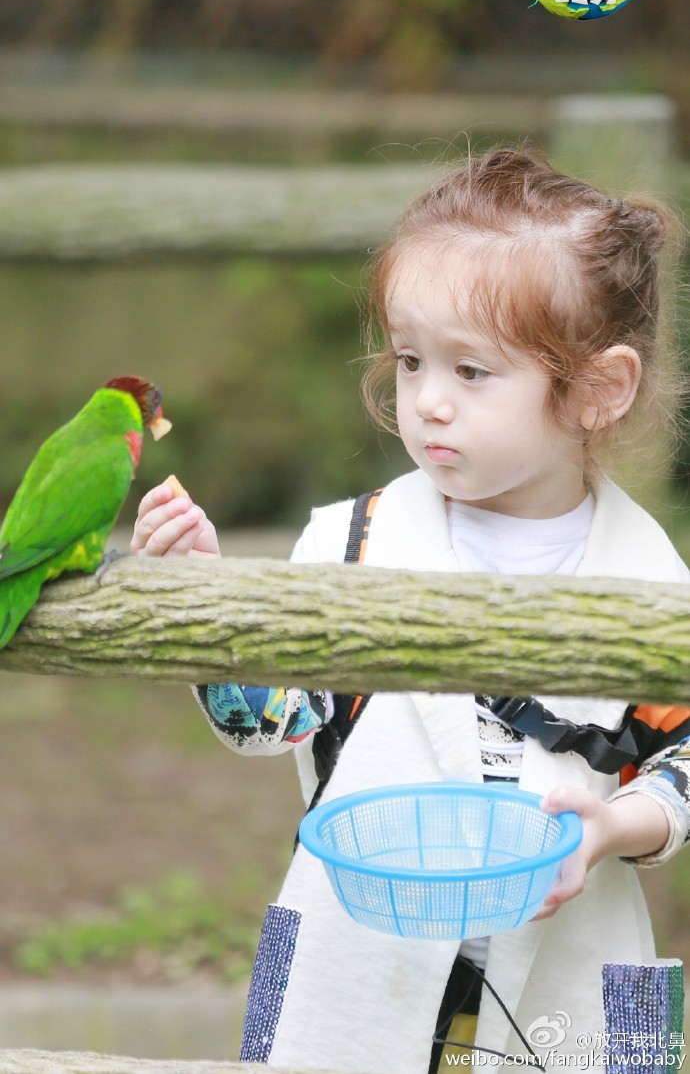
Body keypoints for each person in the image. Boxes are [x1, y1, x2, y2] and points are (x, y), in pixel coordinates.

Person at [131, 148, 690, 1071]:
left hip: (569, 975)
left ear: (599, 388)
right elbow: (271, 720)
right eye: (411, 359)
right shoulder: (351, 540)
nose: (426, 400)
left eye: (472, 371)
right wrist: (209, 602)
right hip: (351, 967)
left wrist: (616, 829)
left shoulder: (654, 581)